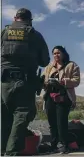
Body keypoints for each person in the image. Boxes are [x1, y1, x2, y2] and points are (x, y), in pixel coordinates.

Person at [1, 8, 50, 155]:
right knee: (21, 116)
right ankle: (11, 153)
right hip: (24, 83)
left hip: (3, 83)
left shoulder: (3, 33)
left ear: (15, 18)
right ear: (30, 20)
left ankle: (2, 150)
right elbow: (44, 61)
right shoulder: (34, 35)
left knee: (4, 117)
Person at [42, 46, 80, 154]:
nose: (56, 55)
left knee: (61, 122)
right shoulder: (49, 67)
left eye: (58, 53)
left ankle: (65, 145)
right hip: (50, 97)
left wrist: (64, 81)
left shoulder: (72, 65)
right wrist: (44, 82)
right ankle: (53, 145)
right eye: (54, 53)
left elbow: (76, 81)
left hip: (64, 96)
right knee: (52, 122)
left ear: (63, 53)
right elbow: (43, 79)